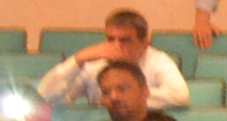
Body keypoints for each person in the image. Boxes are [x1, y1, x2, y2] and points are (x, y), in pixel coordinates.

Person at [34, 7, 190, 111]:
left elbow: (180, 96)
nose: (116, 46)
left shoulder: (158, 61)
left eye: (125, 40)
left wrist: (125, 98)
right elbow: (45, 97)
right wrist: (78, 59)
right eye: (110, 39)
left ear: (145, 44)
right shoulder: (94, 65)